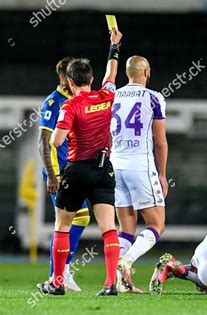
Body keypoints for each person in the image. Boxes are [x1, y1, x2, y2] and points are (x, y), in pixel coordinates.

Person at [37, 28, 123, 296]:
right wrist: (114, 46)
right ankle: (110, 284)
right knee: (109, 229)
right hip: (103, 169)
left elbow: (56, 142)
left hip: (76, 171)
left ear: (71, 83)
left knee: (62, 226)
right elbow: (112, 73)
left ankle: (57, 282)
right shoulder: (106, 96)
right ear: (92, 78)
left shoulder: (69, 106)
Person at [110, 55, 168, 293]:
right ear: (147, 72)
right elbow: (160, 141)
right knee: (157, 223)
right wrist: (162, 174)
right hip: (140, 165)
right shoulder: (154, 97)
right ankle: (128, 260)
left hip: (115, 165)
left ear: (127, 73)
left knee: (126, 228)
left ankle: (121, 281)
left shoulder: (113, 95)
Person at [38, 57, 90, 292]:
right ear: (63, 78)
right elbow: (43, 143)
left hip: (73, 171)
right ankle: (58, 275)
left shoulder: (77, 99)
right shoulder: (54, 102)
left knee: (78, 219)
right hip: (59, 173)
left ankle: (60, 273)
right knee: (67, 221)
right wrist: (51, 175)